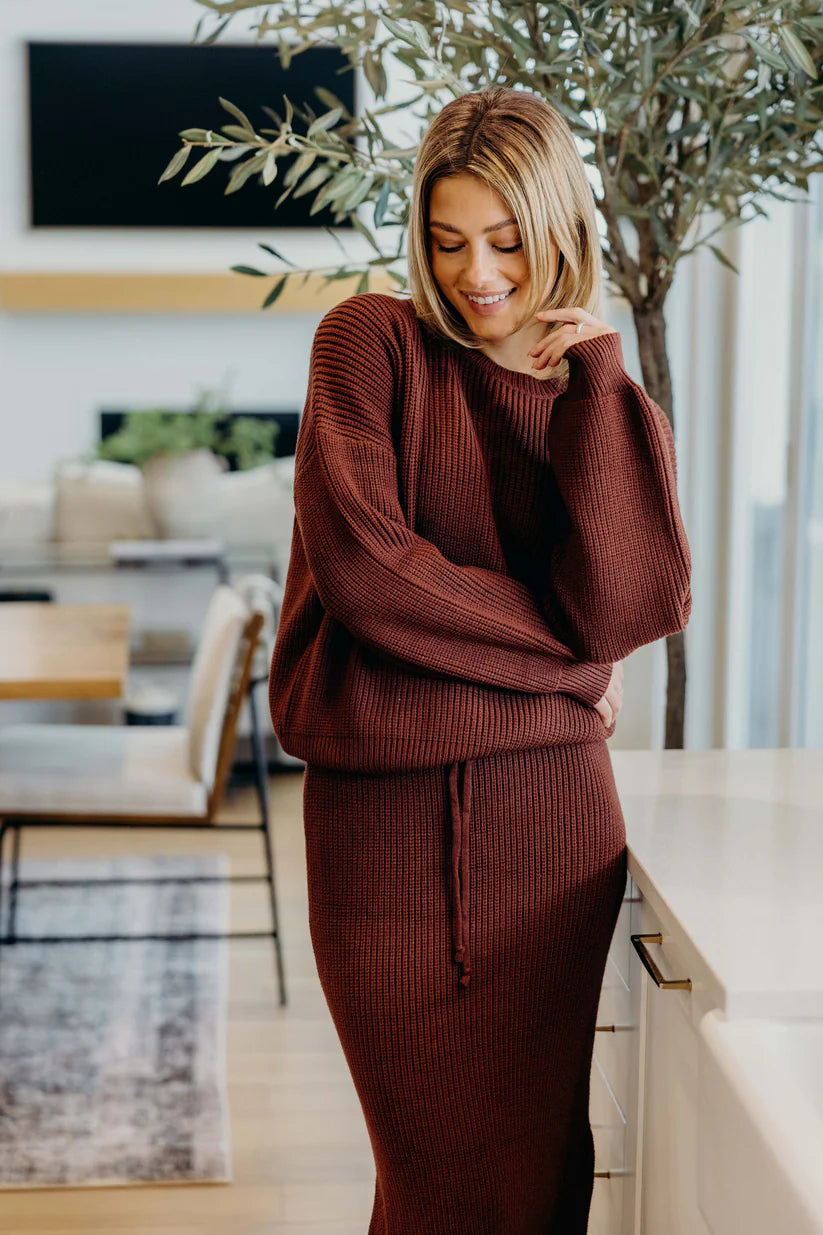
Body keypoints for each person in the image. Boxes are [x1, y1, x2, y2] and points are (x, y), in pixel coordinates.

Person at [268, 85, 692, 1235]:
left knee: (538, 1173)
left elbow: (637, 602)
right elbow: (369, 571)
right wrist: (563, 672)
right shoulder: (370, 342)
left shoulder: (601, 396)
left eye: (506, 238)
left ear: (560, 225)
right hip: (381, 836)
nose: (477, 271)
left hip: (551, 835)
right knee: (432, 1182)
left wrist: (594, 387)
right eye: (449, 240)